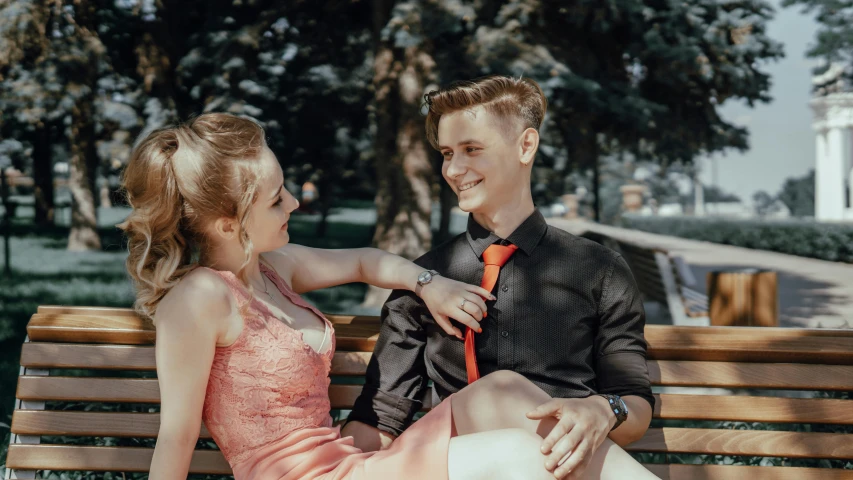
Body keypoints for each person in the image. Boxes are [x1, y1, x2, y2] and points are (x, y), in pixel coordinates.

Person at [120, 112, 645, 480]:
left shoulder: (274, 268)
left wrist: (429, 283)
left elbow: (367, 261)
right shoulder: (199, 299)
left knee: (503, 390)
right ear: (228, 221)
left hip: (347, 464)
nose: (295, 203)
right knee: (522, 454)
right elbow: (176, 435)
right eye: (277, 199)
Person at [344, 76, 659, 480]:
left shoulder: (600, 270)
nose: (454, 170)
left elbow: (633, 403)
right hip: (465, 466)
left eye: (472, 149)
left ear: (526, 145)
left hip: (566, 465)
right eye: (446, 153)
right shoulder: (425, 281)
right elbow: (382, 417)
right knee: (500, 391)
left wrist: (604, 409)